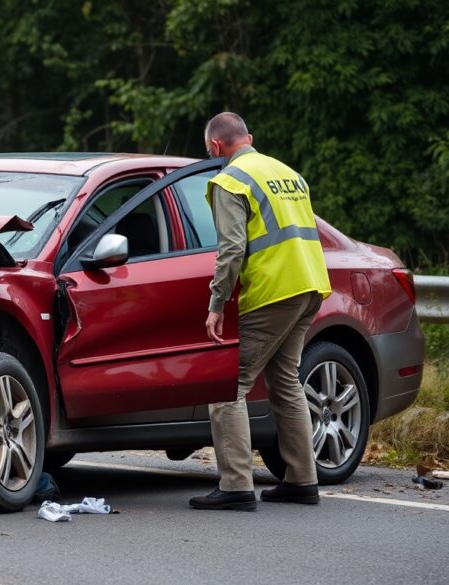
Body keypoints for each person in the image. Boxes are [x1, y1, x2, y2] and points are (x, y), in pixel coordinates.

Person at [189, 112, 331, 511]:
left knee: (228, 386)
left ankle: (235, 486)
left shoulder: (230, 181)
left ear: (215, 147)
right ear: (248, 137)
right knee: (285, 382)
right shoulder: (287, 173)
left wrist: (217, 303)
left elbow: (231, 249)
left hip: (273, 291)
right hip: (310, 285)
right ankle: (302, 480)